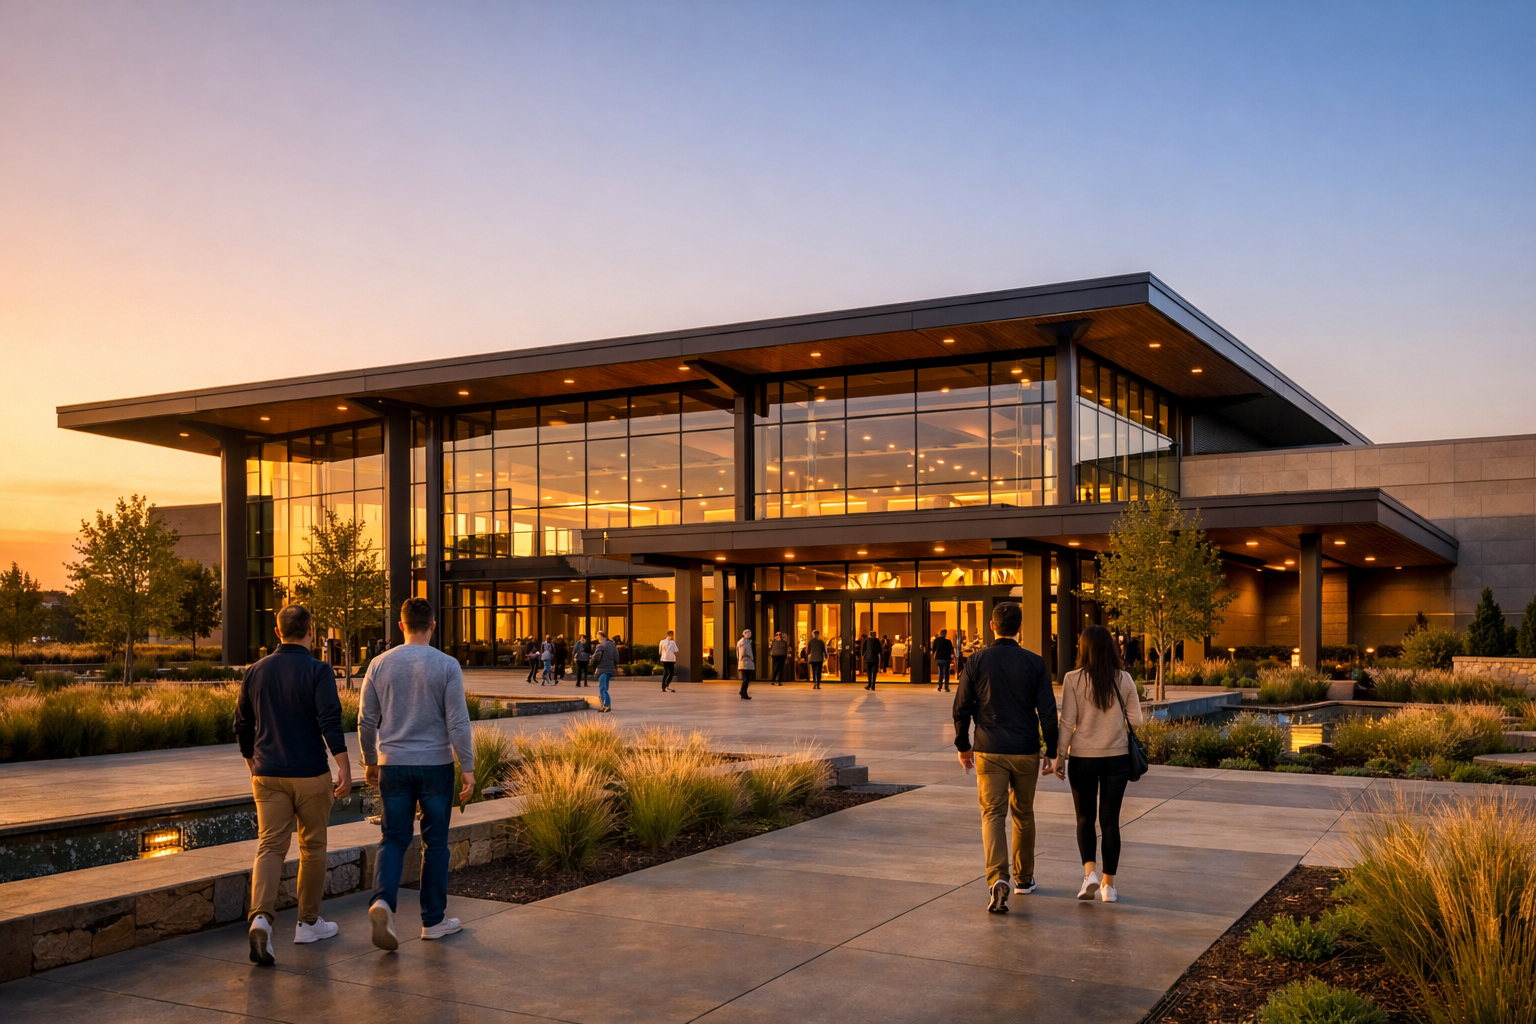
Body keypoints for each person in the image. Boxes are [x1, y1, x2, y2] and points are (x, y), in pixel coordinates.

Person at [236, 604, 351, 966]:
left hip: (267, 773)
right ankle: (308, 923)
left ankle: (260, 919)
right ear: (311, 631)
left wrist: (251, 764)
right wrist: (344, 765)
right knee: (312, 847)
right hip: (310, 773)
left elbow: (242, 725)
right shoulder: (318, 670)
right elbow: (330, 720)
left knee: (269, 847)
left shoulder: (255, 671)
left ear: (277, 632)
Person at [360, 597, 475, 950]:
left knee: (394, 838)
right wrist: (468, 767)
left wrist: (370, 760)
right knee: (435, 842)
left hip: (393, 763)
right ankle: (433, 920)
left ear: (400, 625)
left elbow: (365, 719)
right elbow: (457, 720)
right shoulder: (447, 665)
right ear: (433, 625)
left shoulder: (379, 664)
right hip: (436, 765)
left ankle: (382, 901)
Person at [952, 601, 1058, 915]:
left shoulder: (976, 661)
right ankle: (1024, 879)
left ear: (991, 625)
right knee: (1023, 815)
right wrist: (1051, 750)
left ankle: (998, 878)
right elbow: (1048, 713)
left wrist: (963, 745)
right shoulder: (1036, 663)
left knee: (992, 816)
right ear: (1020, 628)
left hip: (988, 749)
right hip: (1025, 750)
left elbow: (961, 708)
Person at [1056, 624, 1143, 904]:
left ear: (1083, 648)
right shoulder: (1125, 679)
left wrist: (1060, 755)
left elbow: (1067, 722)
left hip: (1082, 758)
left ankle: (1089, 873)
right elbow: (1138, 721)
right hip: (1116, 758)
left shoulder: (1073, 679)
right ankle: (1109, 886)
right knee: (1110, 821)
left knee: (1084, 818)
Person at [592, 630, 618, 712]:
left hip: (603, 668)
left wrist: (589, 659)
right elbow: (617, 658)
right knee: (605, 687)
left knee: (603, 688)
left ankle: (606, 705)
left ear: (600, 637)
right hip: (611, 669)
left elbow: (595, 658)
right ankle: (606, 705)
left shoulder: (600, 646)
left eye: (597, 637)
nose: (597, 639)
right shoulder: (613, 645)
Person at [736, 629, 755, 700]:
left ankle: (743, 692)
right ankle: (743, 692)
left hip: (744, 662)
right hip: (745, 662)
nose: (749, 635)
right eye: (748, 633)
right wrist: (750, 657)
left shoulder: (744, 641)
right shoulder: (744, 642)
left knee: (746, 678)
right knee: (746, 678)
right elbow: (743, 652)